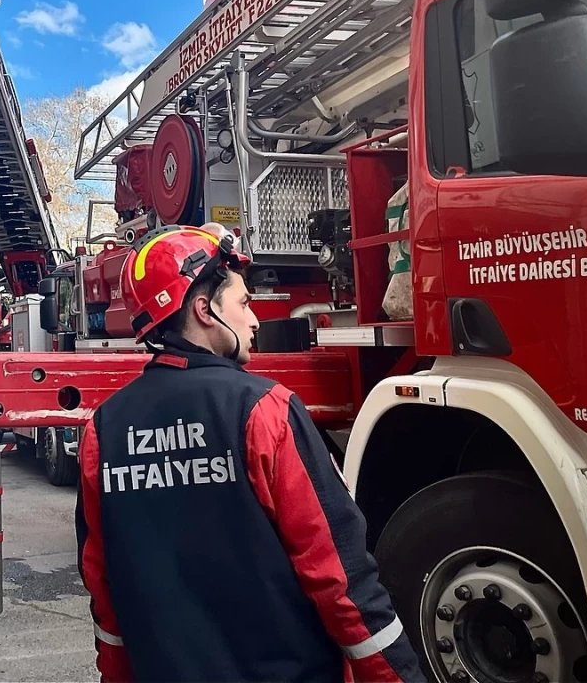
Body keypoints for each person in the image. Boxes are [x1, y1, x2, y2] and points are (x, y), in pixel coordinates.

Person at [75, 225, 423, 683]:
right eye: (243, 303)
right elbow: (339, 576)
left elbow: (103, 587)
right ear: (204, 310)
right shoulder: (265, 411)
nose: (255, 320)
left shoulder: (104, 429)